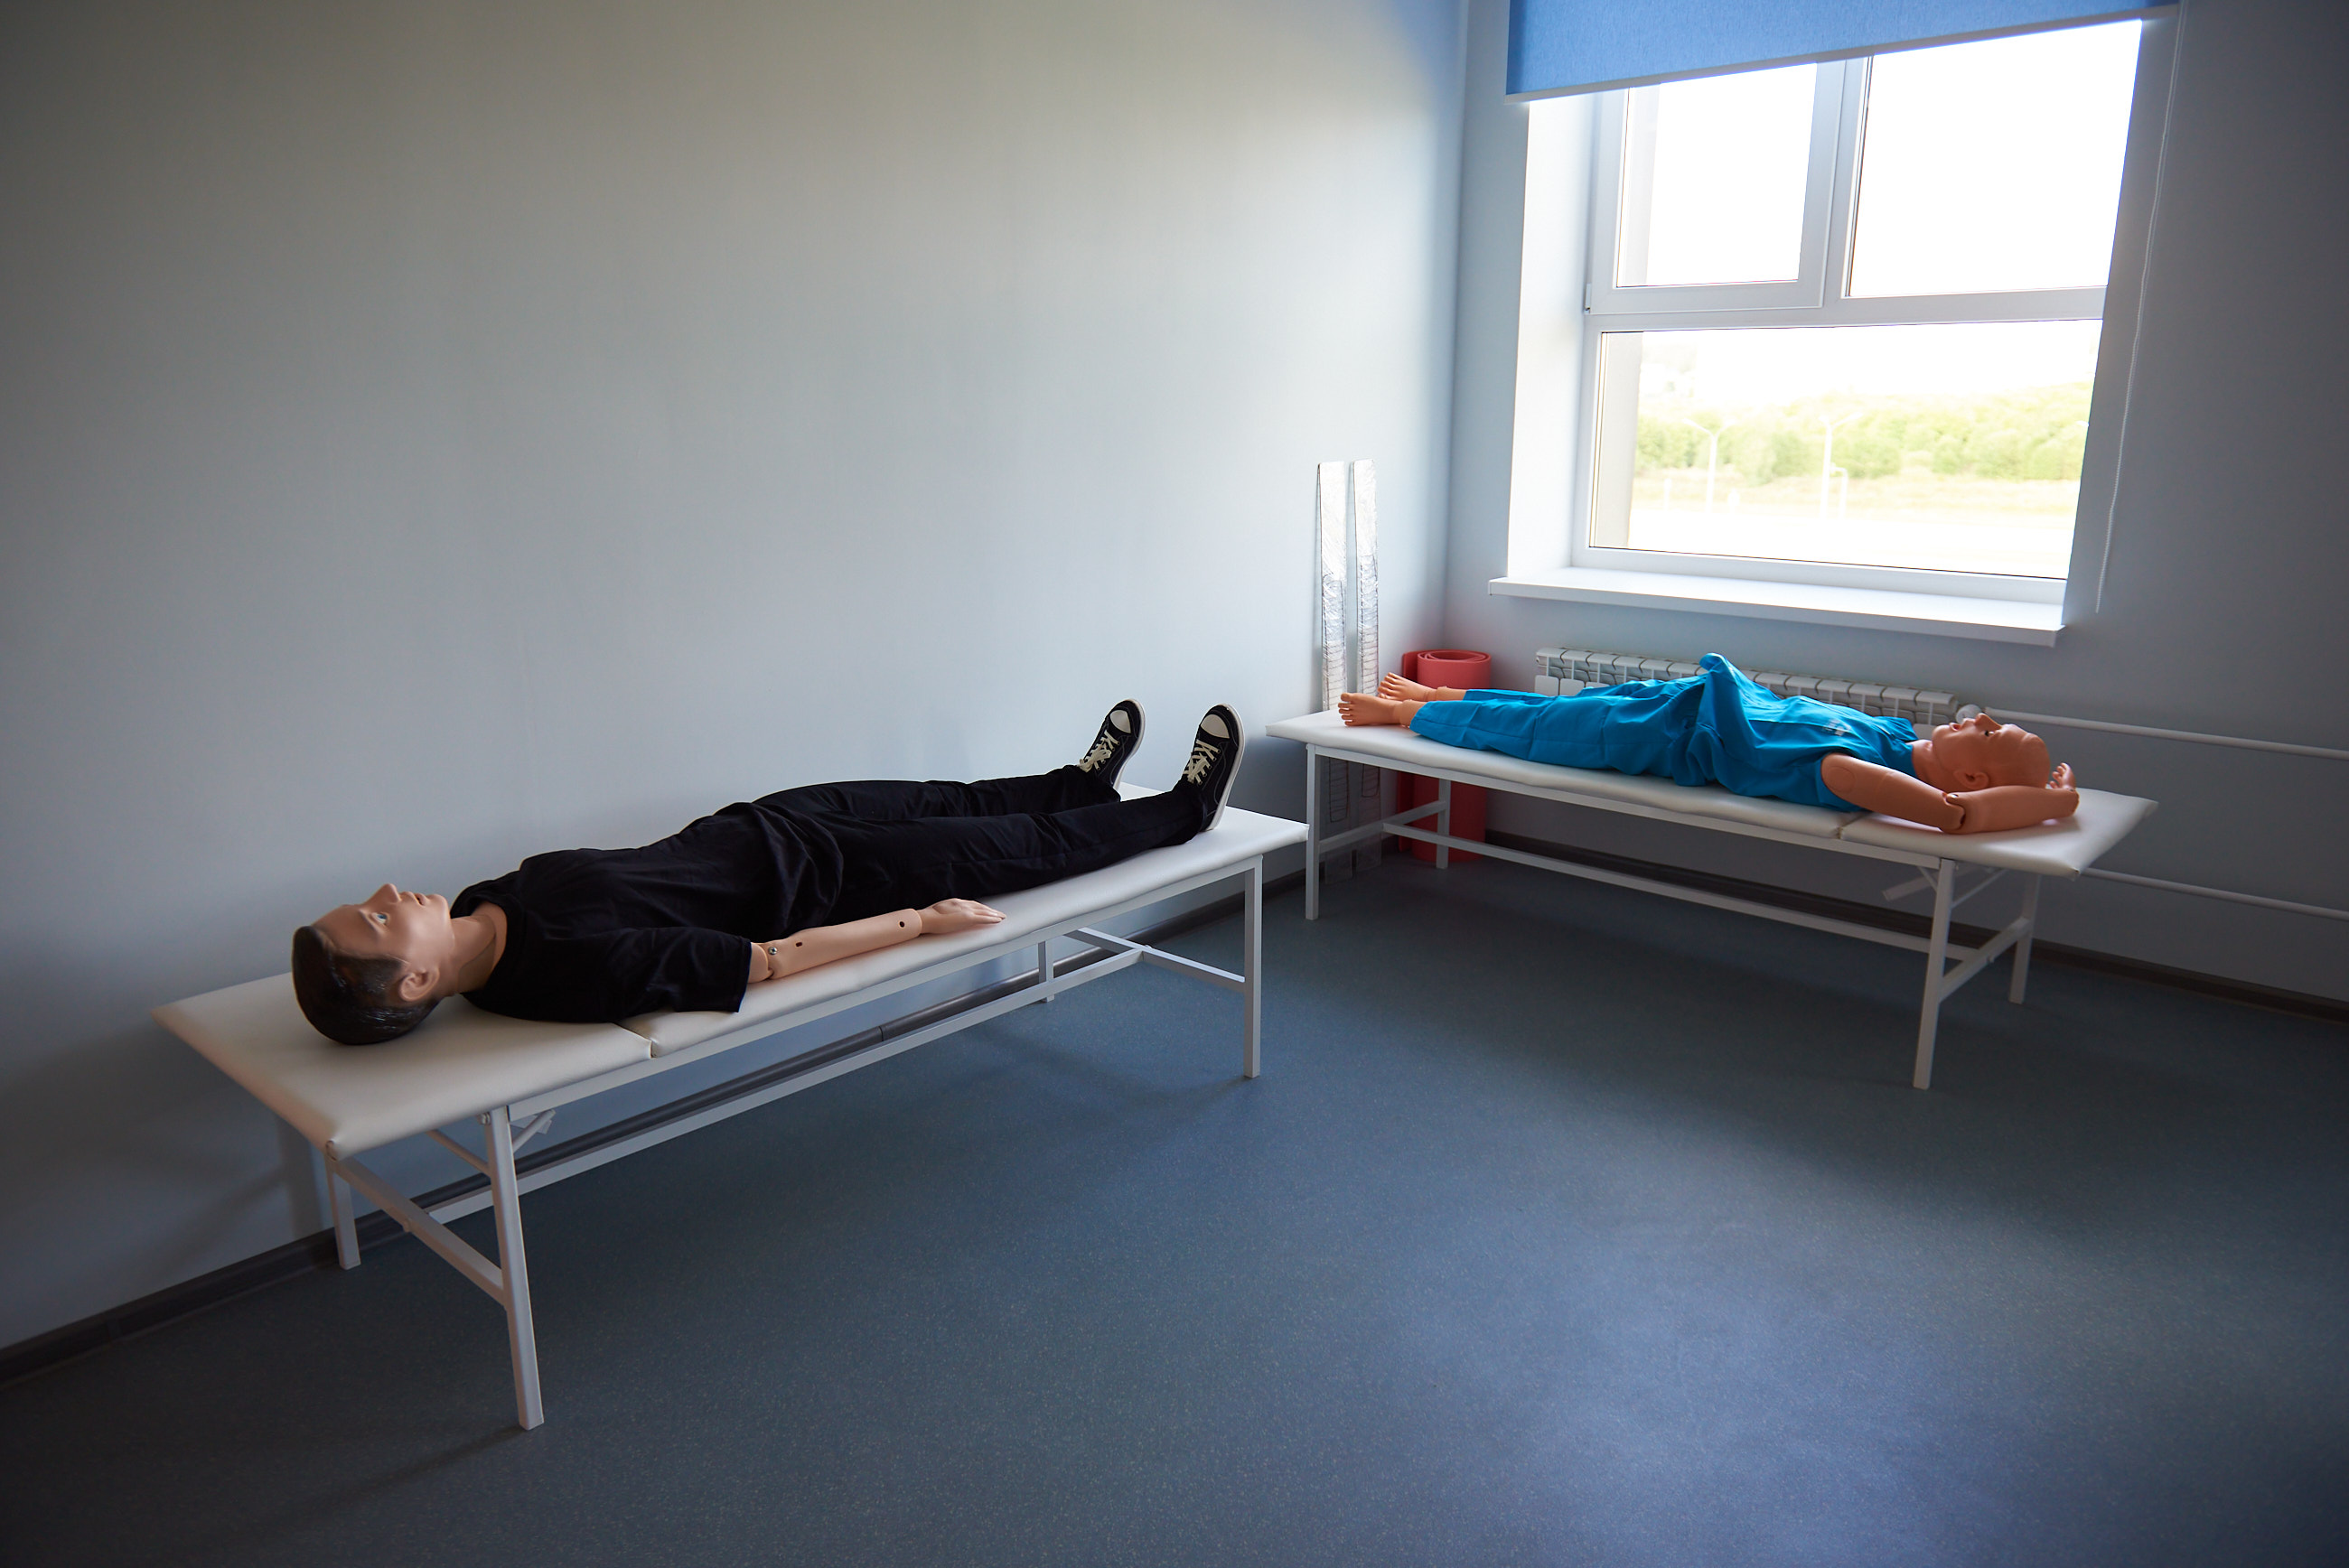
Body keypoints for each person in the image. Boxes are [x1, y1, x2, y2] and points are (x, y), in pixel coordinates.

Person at [292, 702, 1247, 1045]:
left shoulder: (476, 904)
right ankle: (1182, 810)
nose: (386, 896)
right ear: (413, 982)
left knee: (952, 797)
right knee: (1018, 849)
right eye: (376, 922)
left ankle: (1076, 782)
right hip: (832, 883)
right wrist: (920, 922)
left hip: (769, 822)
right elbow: (761, 961)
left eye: (368, 904)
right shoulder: (562, 972)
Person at [1338, 653, 2077, 835]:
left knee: (1536, 731)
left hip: (1661, 742)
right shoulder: (1896, 736)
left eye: (1991, 734)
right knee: (1552, 705)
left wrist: (2053, 805)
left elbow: (1955, 819)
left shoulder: (1862, 774)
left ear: (1973, 778)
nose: (1980, 718)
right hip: (1679, 703)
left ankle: (1403, 716)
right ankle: (1437, 696)